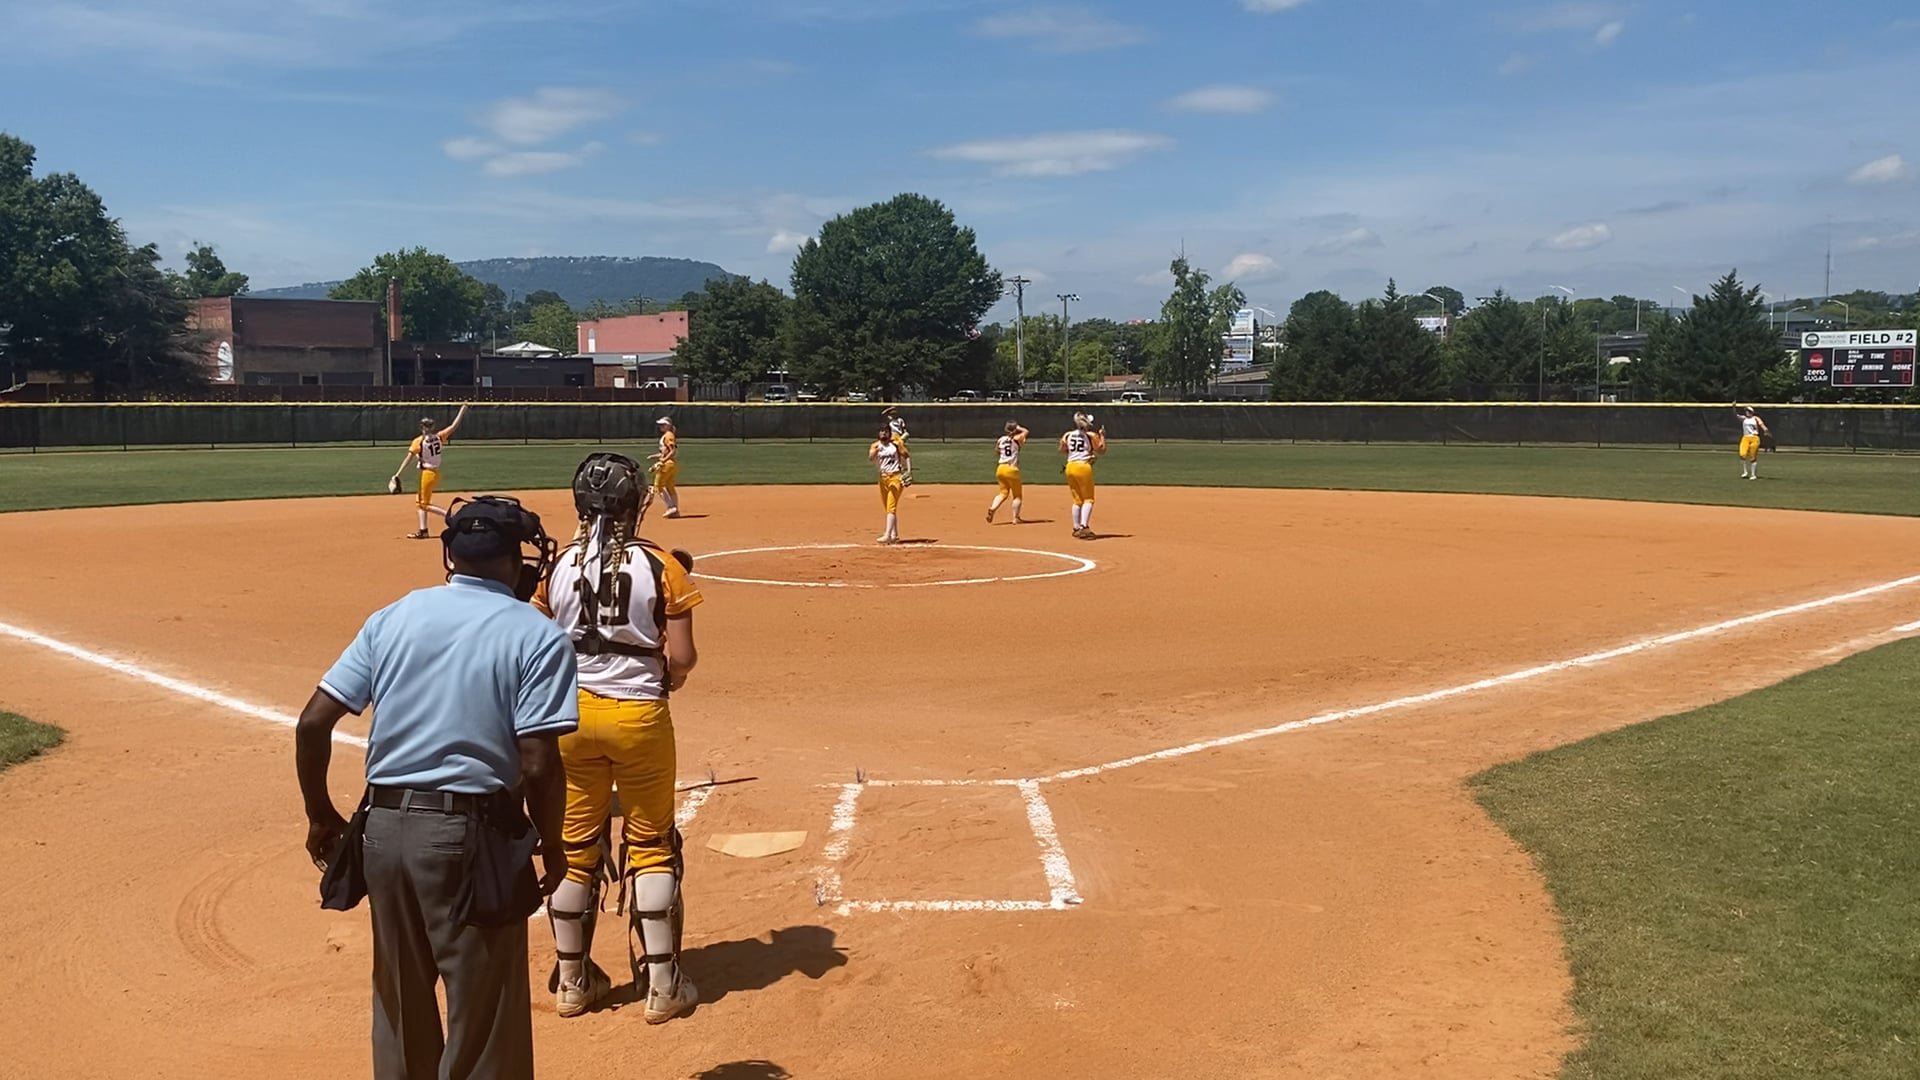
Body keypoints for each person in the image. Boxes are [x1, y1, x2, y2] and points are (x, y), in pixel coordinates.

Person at [295, 495, 576, 1080]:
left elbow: (313, 723)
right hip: (469, 838)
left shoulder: (392, 617)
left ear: (451, 555)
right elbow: (538, 764)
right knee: (484, 1017)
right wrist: (552, 843)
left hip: (380, 833)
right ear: (515, 560)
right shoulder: (536, 635)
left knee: (399, 1004)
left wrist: (321, 815)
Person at [533, 452, 704, 1025]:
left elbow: (537, 640)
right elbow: (683, 657)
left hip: (569, 719)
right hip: (638, 717)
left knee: (575, 848)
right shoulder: (661, 565)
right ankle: (663, 985)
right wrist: (669, 678)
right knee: (652, 844)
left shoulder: (557, 565)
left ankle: (572, 982)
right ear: (635, 506)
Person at [392, 404, 470, 539]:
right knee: (420, 502)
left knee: (423, 504)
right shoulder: (439, 437)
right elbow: (453, 426)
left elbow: (408, 459)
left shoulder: (419, 441)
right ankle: (423, 531)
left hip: (427, 475)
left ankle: (452, 517)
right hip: (435, 474)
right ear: (432, 427)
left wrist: (397, 474)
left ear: (421, 427)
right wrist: (462, 412)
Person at [1059, 412, 1106, 539]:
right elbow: (1102, 450)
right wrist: (1102, 436)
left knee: (1077, 500)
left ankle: (1076, 528)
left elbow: (1062, 450)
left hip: (1070, 466)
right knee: (1088, 499)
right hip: (1083, 467)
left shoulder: (1067, 434)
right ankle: (1084, 527)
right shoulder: (1091, 435)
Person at [869, 425, 908, 544]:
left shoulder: (895, 445)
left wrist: (908, 472)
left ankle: (887, 535)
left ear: (889, 433)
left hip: (895, 478)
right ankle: (894, 535)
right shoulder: (875, 446)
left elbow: (906, 456)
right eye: (881, 431)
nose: (883, 433)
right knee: (888, 508)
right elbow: (871, 458)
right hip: (883, 479)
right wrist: (876, 451)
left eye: (886, 431)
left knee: (891, 507)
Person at [987, 422, 1028, 524]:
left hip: (1000, 468)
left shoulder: (1001, 439)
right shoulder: (1017, 438)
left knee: (1003, 493)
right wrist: (1018, 428)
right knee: (1017, 496)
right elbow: (1026, 431)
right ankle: (1016, 518)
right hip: (1011, 469)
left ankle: (993, 508)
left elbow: (997, 451)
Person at [649, 417, 683, 519]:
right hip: (671, 464)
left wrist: (662, 461)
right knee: (669, 487)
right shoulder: (668, 435)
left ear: (668, 425)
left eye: (663, 425)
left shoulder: (668, 435)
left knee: (658, 486)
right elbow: (666, 452)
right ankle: (675, 510)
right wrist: (655, 456)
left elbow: (672, 451)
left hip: (667, 464)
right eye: (660, 425)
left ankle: (671, 507)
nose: (660, 426)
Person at [882, 406, 912, 487]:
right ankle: (901, 474)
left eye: (894, 413)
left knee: (902, 455)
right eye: (892, 413)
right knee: (895, 455)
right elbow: (883, 414)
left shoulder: (900, 420)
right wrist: (889, 409)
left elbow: (904, 430)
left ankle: (904, 476)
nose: (893, 414)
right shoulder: (889, 420)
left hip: (899, 437)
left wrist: (904, 436)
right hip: (892, 437)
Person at [1737, 406, 1770, 481]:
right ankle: (1745, 472)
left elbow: (1762, 425)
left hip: (1754, 438)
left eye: (1748, 411)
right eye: (1746, 411)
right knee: (1742, 454)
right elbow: (1736, 415)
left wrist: (1766, 430)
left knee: (1752, 457)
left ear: (1752, 412)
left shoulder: (1756, 418)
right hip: (1745, 437)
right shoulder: (1744, 418)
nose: (1747, 412)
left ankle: (1753, 475)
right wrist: (1733, 408)